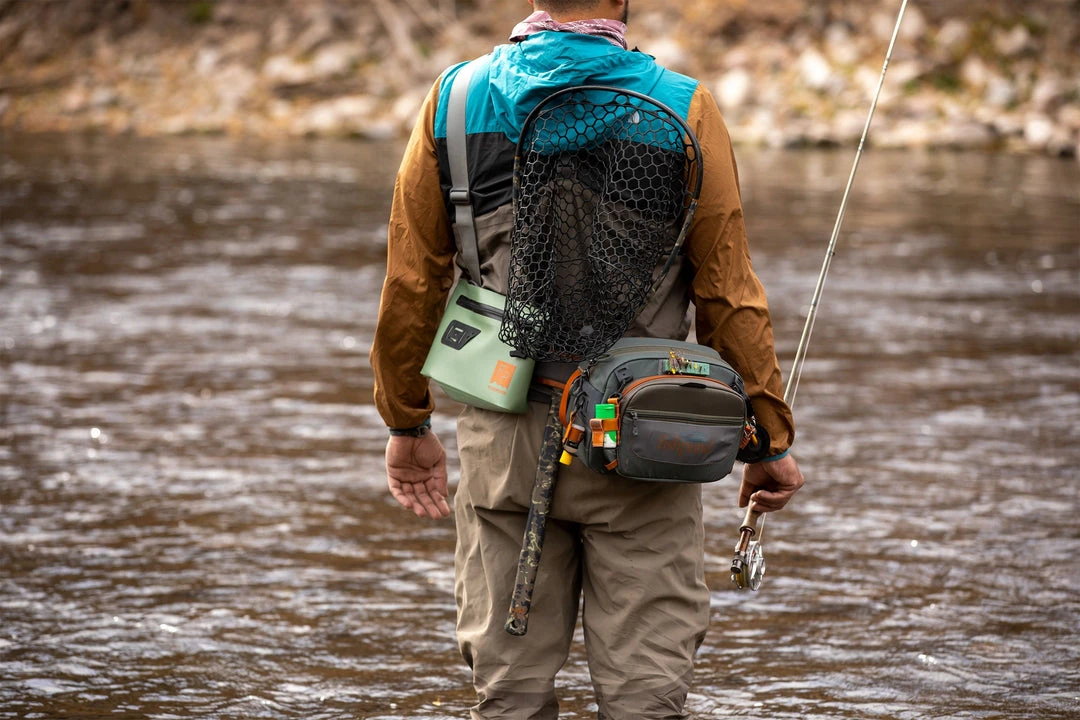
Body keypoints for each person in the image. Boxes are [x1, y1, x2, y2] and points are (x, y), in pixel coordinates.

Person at [369, 0, 805, 716]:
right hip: (645, 440)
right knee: (645, 696)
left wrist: (406, 423)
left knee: (509, 696)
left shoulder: (454, 100)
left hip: (504, 435)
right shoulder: (687, 108)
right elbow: (728, 295)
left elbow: (412, 285)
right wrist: (766, 439)